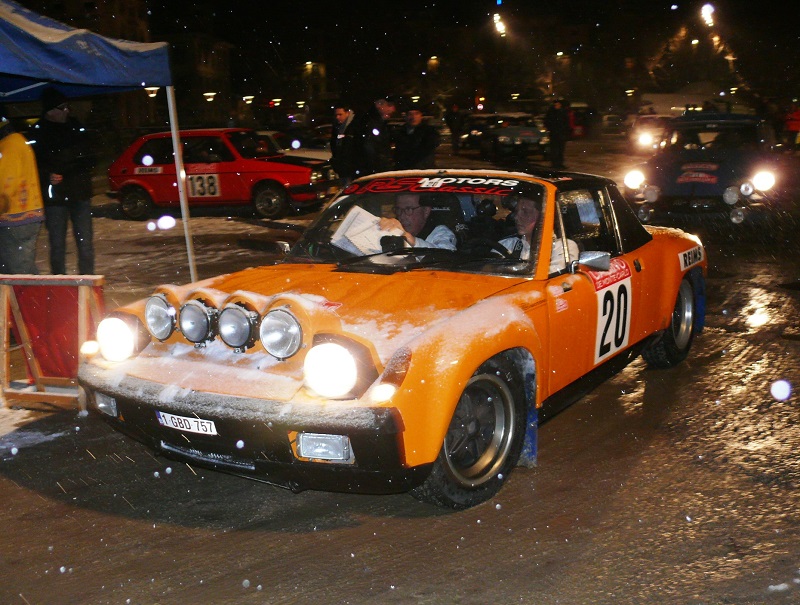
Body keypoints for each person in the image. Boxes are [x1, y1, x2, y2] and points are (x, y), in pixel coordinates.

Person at [32, 87, 96, 275]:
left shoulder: (76, 127)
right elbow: (33, 164)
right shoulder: (38, 132)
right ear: (50, 111)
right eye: (62, 107)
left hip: (79, 193)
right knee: (57, 247)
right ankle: (60, 289)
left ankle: (87, 285)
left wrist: (67, 166)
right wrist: (48, 175)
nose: (67, 110)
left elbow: (90, 156)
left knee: (85, 246)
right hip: (55, 199)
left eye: (67, 106)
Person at [0, 117, 45, 274]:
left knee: (17, 270)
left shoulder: (8, 145)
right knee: (22, 266)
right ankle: (35, 297)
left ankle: (31, 297)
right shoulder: (17, 141)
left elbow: (6, 184)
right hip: (25, 215)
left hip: (16, 216)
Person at [499, 195, 578, 272]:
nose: (516, 217)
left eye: (526, 212)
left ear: (543, 216)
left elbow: (552, 279)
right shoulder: (506, 245)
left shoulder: (564, 247)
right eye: (516, 211)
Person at [379, 192, 456, 250]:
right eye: (398, 209)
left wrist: (409, 238)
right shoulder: (393, 229)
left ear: (426, 211)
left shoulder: (440, 232)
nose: (401, 216)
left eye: (408, 209)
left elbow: (446, 254)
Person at [352, 96, 397, 177]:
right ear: (379, 105)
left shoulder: (376, 122)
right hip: (373, 170)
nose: (393, 109)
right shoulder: (372, 123)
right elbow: (371, 148)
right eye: (389, 105)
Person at [393, 104, 440, 170]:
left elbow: (431, 145)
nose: (413, 117)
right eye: (410, 114)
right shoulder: (400, 131)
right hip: (404, 168)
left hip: (423, 168)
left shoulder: (429, 131)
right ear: (406, 116)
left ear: (421, 116)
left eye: (416, 114)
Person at [329, 102, 357, 184]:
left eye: (340, 115)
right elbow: (335, 142)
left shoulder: (353, 126)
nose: (338, 117)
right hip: (343, 165)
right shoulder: (338, 127)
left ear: (347, 113)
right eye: (336, 115)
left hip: (350, 166)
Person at [544, 98, 572, 169]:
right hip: (555, 134)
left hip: (561, 133)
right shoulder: (552, 112)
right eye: (556, 104)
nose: (557, 105)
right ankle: (555, 164)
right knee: (555, 149)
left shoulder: (562, 112)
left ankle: (559, 163)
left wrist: (566, 131)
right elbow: (547, 122)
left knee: (560, 149)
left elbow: (566, 122)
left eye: (559, 104)